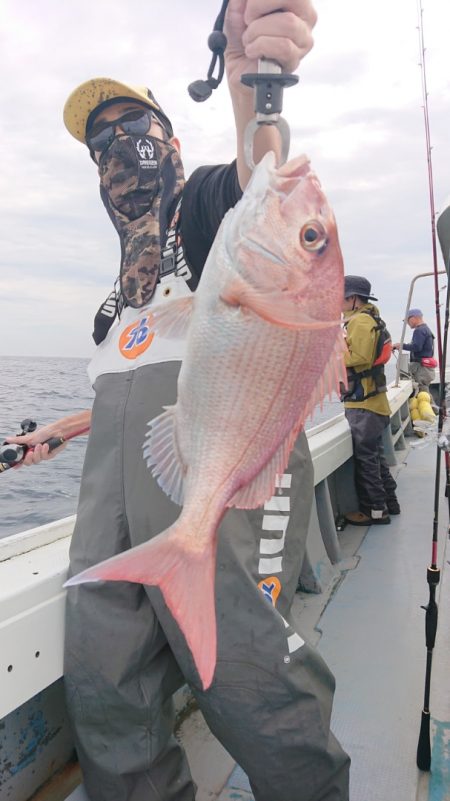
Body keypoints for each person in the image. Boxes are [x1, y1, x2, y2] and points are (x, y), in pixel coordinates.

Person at [6, 3, 350, 800]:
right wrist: (65, 428)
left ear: (171, 141)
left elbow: (258, 174)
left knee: (253, 673)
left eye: (135, 128)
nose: (117, 149)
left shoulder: (210, 216)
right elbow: (144, 390)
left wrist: (250, 84)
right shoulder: (115, 302)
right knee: (105, 680)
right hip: (116, 502)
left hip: (226, 479)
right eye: (101, 142)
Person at [341, 275, 400, 526]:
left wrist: (330, 355)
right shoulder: (369, 318)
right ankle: (391, 503)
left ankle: (376, 511)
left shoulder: (359, 322)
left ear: (353, 299)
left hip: (364, 404)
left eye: (340, 296)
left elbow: (360, 357)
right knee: (375, 457)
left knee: (366, 461)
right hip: (373, 403)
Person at [393, 308, 436, 393]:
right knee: (424, 392)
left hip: (421, 369)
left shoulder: (419, 330)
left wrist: (401, 345)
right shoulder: (426, 329)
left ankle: (431, 406)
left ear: (413, 318)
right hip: (426, 368)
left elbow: (416, 347)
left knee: (422, 393)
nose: (407, 324)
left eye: (407, 321)